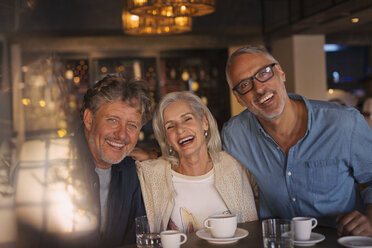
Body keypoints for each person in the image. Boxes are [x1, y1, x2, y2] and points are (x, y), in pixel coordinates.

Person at [221, 45, 372, 237]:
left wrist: (370, 217)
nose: (259, 88)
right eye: (244, 85)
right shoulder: (235, 135)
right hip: (279, 242)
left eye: (264, 73)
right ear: (239, 99)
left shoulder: (344, 123)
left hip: (339, 241)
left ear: (281, 73)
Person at [16, 75, 152, 247]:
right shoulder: (49, 165)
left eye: (132, 125)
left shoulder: (132, 172)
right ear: (89, 119)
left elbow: (135, 240)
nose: (122, 134)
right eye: (113, 120)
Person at [136, 91, 257, 233]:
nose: (180, 130)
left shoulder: (237, 165)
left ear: (204, 122)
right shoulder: (151, 174)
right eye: (170, 126)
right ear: (166, 139)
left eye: (187, 119)